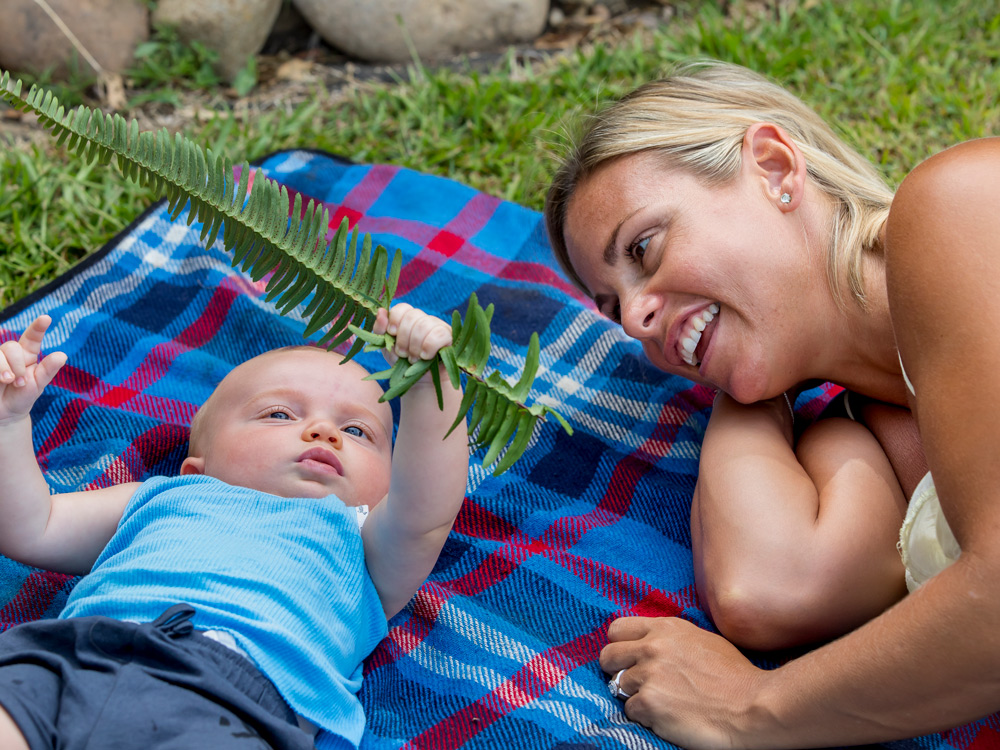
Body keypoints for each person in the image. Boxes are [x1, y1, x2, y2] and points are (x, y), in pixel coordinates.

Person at [544, 59, 1000, 747]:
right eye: (613, 307)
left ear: (774, 168)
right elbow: (764, 591)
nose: (635, 319)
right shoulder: (862, 435)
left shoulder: (960, 207)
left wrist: (753, 706)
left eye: (644, 248)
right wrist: (750, 381)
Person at [0, 305, 469, 750]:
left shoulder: (366, 542)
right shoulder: (162, 496)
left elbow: (425, 510)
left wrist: (431, 385)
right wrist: (8, 422)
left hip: (226, 700)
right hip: (71, 656)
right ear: (197, 466)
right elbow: (32, 525)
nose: (324, 433)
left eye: (357, 431)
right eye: (280, 414)